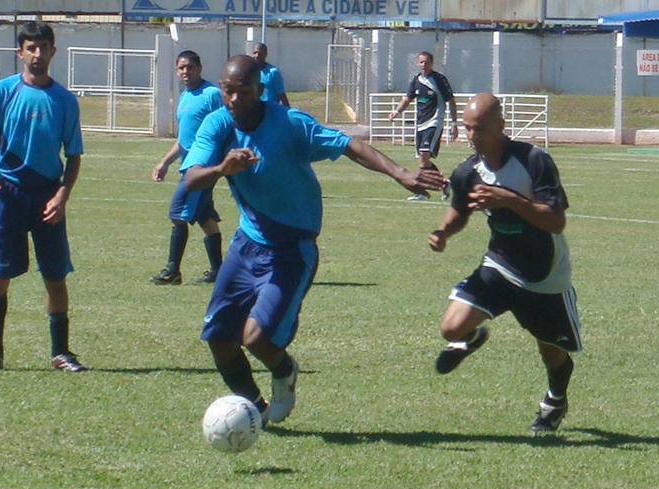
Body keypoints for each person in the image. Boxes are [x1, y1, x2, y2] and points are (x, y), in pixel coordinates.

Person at [181, 55, 445, 424]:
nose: (235, 99)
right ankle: (253, 413)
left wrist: (400, 172)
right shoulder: (218, 124)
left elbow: (348, 145)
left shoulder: (289, 124)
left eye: (244, 91)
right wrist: (221, 168)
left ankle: (284, 371)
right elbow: (191, 178)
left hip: (292, 249)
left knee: (256, 337)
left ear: (260, 89)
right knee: (219, 339)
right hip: (246, 245)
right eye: (228, 91)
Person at [427, 93, 581, 433]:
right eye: (467, 129)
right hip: (499, 266)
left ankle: (555, 401)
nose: (472, 136)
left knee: (552, 353)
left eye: (479, 129)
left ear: (501, 125)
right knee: (450, 327)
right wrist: (442, 231)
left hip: (544, 275)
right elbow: (459, 211)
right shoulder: (468, 171)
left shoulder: (533, 160)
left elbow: (555, 221)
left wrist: (508, 200)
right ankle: (470, 337)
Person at [0, 22, 87, 373]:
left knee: (55, 275)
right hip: (9, 194)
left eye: (43, 47)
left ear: (53, 51)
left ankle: (61, 352)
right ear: (20, 52)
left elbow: (74, 154)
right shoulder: (3, 92)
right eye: (30, 48)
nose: (37, 54)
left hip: (48, 195)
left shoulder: (64, 100)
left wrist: (63, 194)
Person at [150, 50, 224, 285]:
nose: (185, 72)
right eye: (181, 68)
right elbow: (184, 140)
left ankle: (173, 271)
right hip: (188, 164)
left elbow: (226, 124)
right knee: (205, 218)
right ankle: (219, 271)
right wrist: (165, 162)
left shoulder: (212, 94)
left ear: (200, 68)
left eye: (189, 67)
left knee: (177, 214)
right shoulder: (184, 97)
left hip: (201, 169)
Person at [388, 51, 457, 202]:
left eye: (426, 62)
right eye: (421, 62)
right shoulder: (416, 81)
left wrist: (454, 123)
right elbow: (407, 99)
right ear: (417, 64)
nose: (423, 65)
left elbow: (451, 101)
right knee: (422, 162)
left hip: (434, 121)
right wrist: (396, 112)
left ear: (431, 63)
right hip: (420, 124)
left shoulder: (439, 80)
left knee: (424, 156)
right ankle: (444, 183)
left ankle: (422, 192)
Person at [251, 43, 290, 107]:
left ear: (265, 54)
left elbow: (282, 96)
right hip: (255, 110)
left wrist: (287, 114)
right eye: (255, 53)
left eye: (260, 53)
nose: (257, 55)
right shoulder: (251, 71)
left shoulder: (273, 72)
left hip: (270, 110)